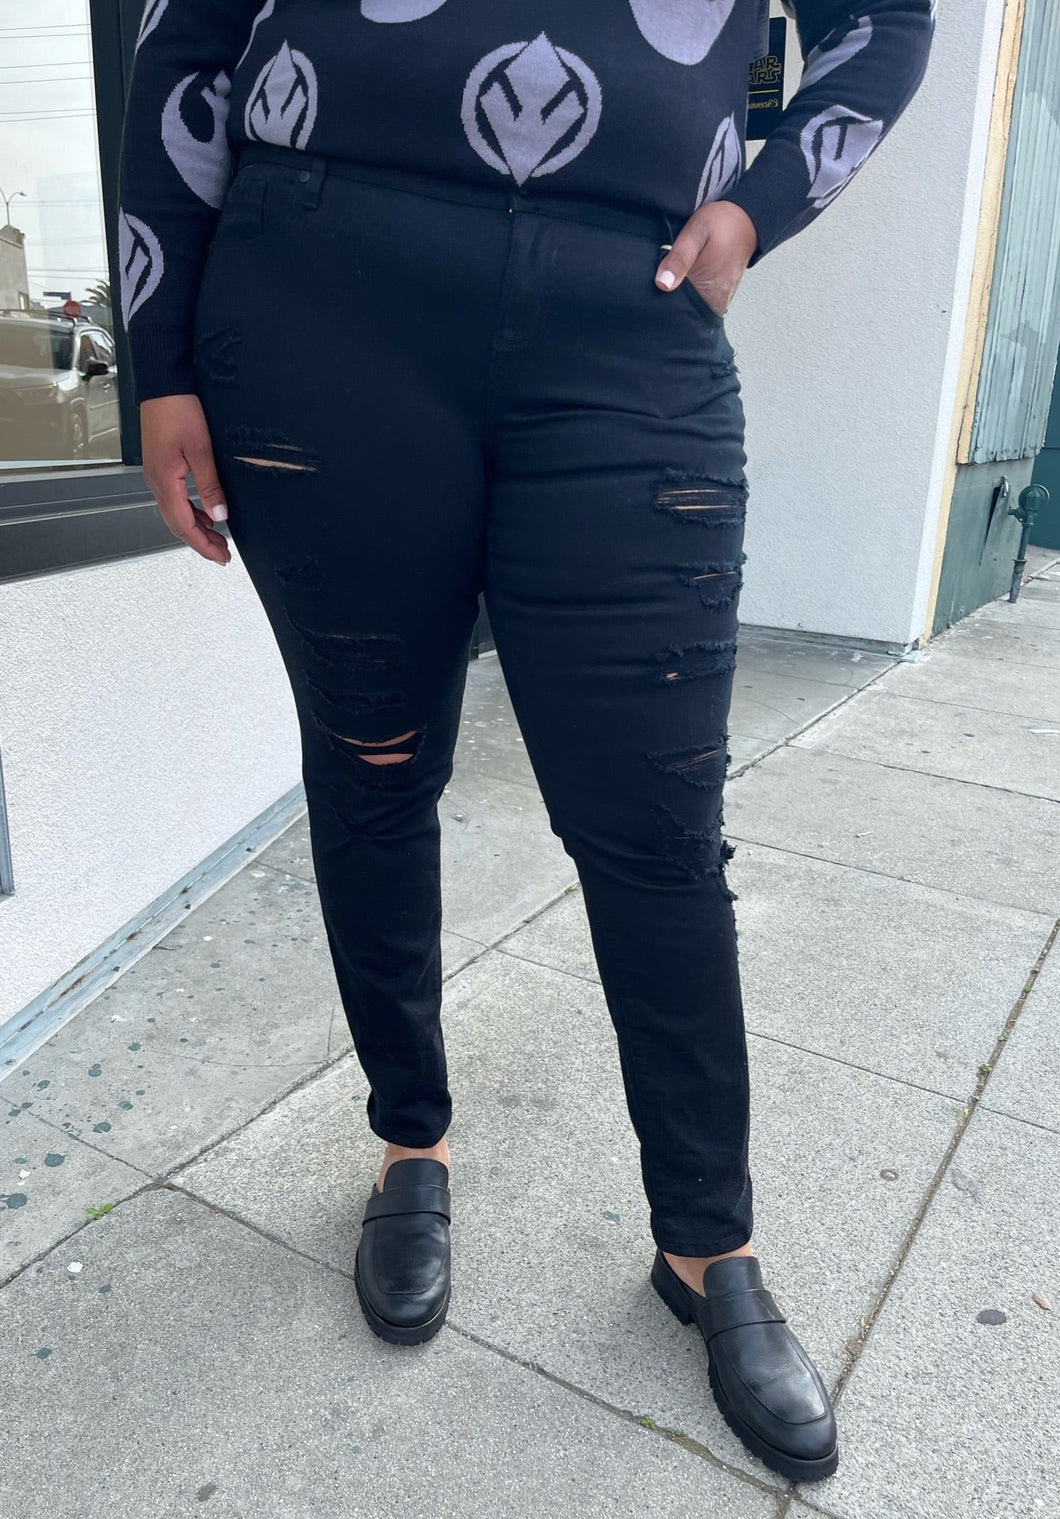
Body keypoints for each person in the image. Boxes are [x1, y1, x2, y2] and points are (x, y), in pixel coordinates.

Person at [118, 0, 935, 1484]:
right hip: (320, 302)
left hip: (631, 316)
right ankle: (410, 1145)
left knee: (658, 822)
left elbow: (886, 24)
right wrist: (157, 349)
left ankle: (706, 1242)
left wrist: (753, 212)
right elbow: (180, 42)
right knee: (374, 764)